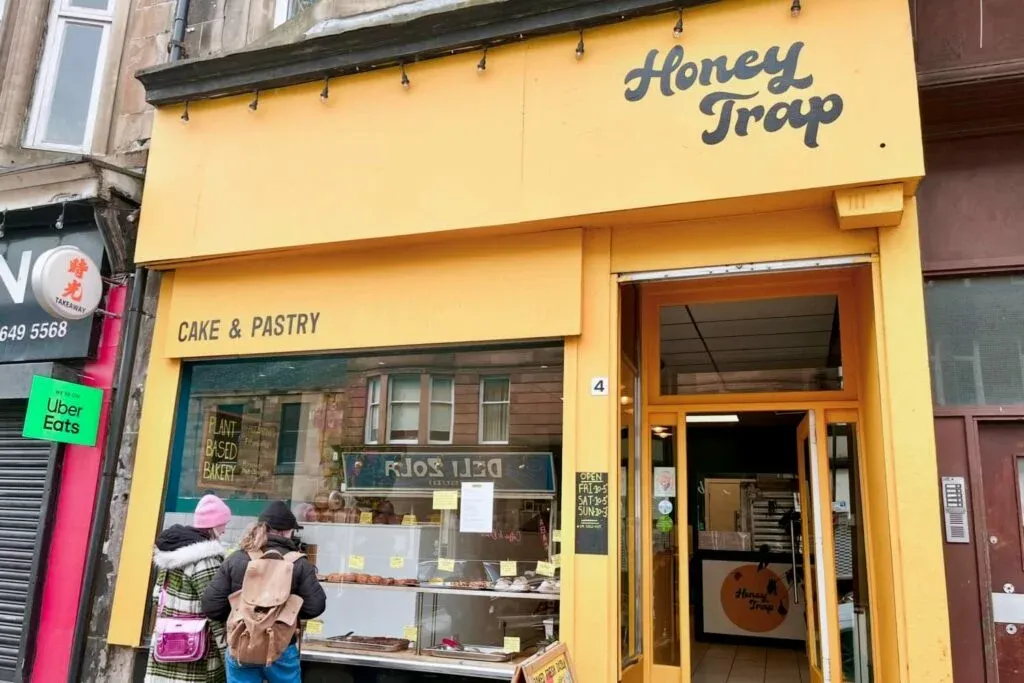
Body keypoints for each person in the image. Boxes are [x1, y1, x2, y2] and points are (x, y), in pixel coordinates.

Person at [202, 500, 326, 683]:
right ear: (286, 531)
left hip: (242, 643)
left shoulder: (236, 559)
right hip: (281, 646)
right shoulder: (299, 564)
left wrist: (242, 613)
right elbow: (315, 607)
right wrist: (287, 611)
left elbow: (211, 606)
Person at [144, 494, 233, 683]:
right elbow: (215, 611)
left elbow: (156, 597)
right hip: (196, 654)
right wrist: (230, 657)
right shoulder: (206, 560)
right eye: (224, 524)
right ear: (214, 525)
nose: (225, 530)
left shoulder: (172, 555)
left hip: (166, 646)